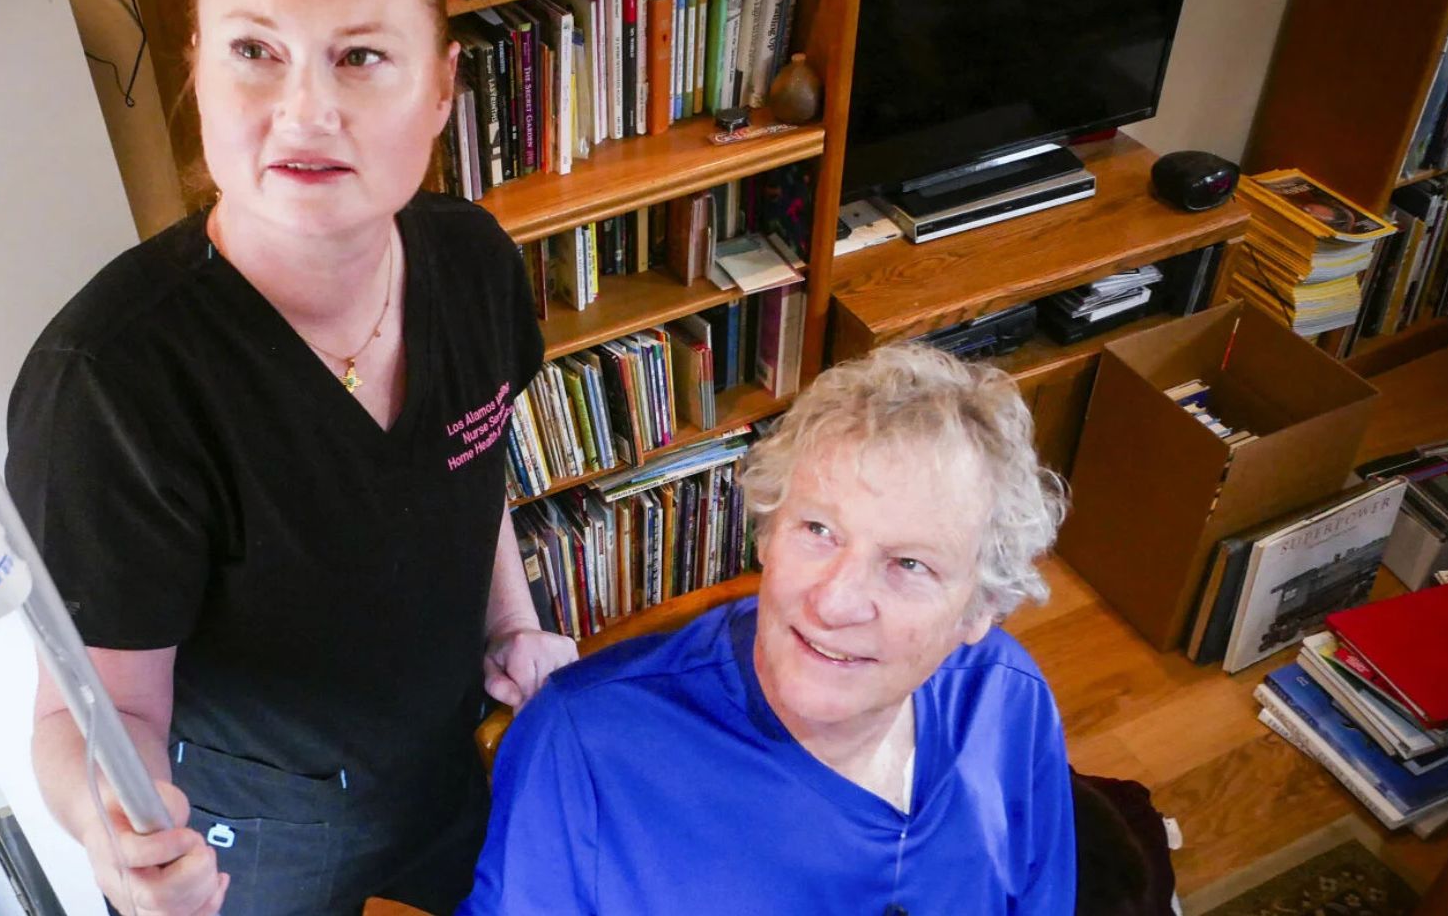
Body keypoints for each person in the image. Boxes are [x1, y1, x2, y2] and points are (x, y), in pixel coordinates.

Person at [5, 0, 577, 916]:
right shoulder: (113, 386)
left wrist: (514, 624)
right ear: (197, 69)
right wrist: (116, 828)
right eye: (255, 52)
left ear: (444, 86)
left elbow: (474, 462)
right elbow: (86, 714)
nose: (305, 110)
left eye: (360, 56)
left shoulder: (474, 264)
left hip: (453, 775)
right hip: (258, 848)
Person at [461, 343, 1078, 914]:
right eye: (818, 530)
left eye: (909, 564)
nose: (834, 602)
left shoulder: (1008, 698)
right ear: (767, 532)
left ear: (980, 609)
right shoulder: (583, 745)